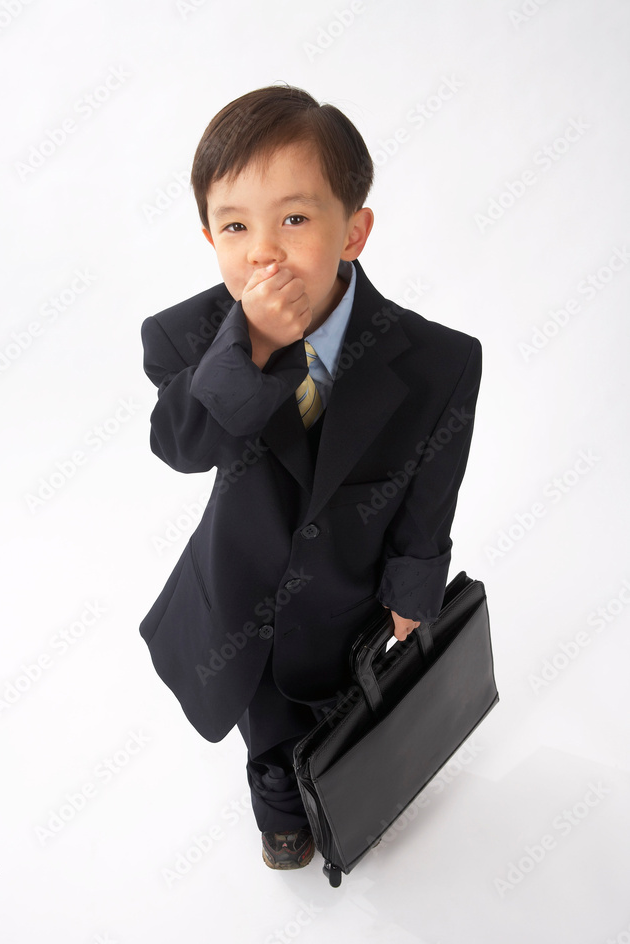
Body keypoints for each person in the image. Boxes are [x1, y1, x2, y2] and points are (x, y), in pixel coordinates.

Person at [139, 84, 482, 871]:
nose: (263, 250)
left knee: (336, 702)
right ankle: (281, 817)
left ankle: (350, 786)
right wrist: (249, 347)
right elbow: (181, 444)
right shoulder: (187, 337)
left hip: (349, 590)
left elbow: (433, 480)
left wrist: (413, 583)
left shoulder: (439, 361)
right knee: (267, 728)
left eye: (293, 218)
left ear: (353, 230)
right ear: (209, 238)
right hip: (240, 592)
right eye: (235, 226)